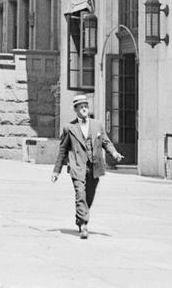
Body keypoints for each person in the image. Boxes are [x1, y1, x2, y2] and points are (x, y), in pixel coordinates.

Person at [51, 94, 124, 239]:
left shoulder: (97, 125)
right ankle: (83, 225)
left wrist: (114, 153)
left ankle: (80, 218)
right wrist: (56, 171)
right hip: (77, 166)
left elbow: (106, 142)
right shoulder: (69, 128)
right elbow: (62, 150)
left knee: (89, 196)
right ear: (75, 109)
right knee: (80, 194)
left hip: (94, 166)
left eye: (86, 106)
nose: (84, 109)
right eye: (81, 107)